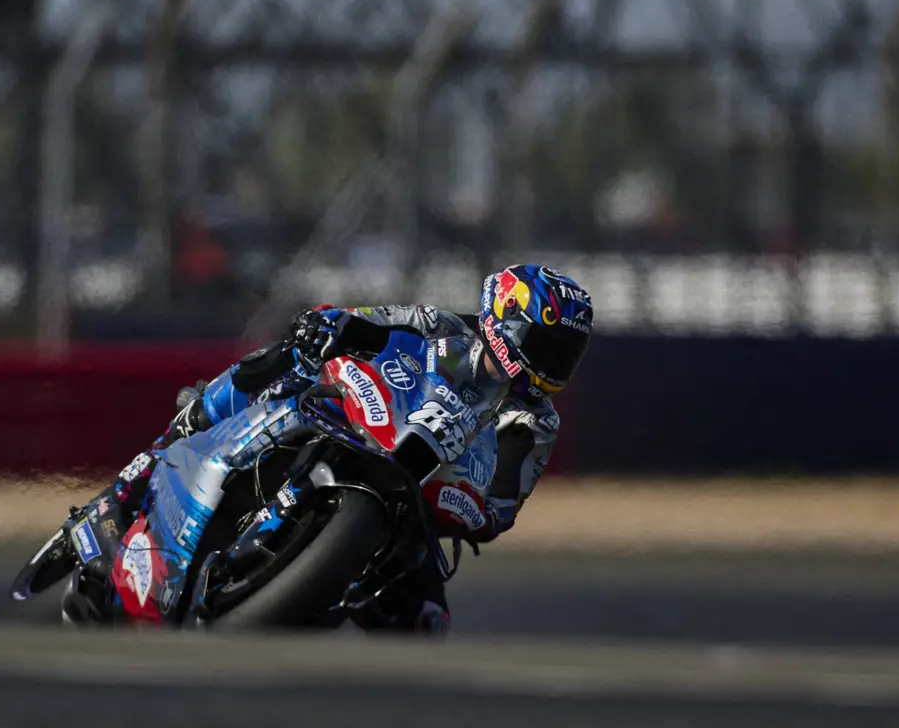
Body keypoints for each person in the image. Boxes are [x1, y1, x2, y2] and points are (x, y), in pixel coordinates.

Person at [65, 264, 593, 632]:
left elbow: (502, 505)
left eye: (564, 355)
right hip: (359, 416)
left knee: (428, 620)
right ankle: (147, 464)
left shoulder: (535, 422)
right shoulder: (443, 330)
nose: (552, 365)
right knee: (285, 363)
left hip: (423, 500)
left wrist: (470, 509)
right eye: (545, 346)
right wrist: (333, 325)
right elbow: (371, 321)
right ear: (508, 321)